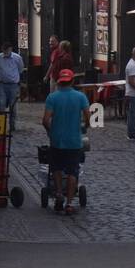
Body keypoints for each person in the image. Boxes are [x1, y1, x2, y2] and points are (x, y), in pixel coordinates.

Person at [42, 68, 90, 215]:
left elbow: (45, 120)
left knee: (56, 169)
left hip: (57, 140)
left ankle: (58, 194)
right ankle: (69, 204)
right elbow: (88, 118)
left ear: (59, 82)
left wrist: (51, 131)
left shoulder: (52, 97)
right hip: (74, 141)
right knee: (72, 172)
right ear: (72, 81)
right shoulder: (80, 97)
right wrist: (83, 128)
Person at [0, 42, 25, 132]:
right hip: (1, 84)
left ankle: (12, 126)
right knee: (1, 105)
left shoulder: (17, 58)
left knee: (13, 106)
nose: (5, 52)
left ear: (11, 49)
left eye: (7, 50)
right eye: (4, 50)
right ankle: (1, 125)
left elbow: (21, 69)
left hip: (13, 85)